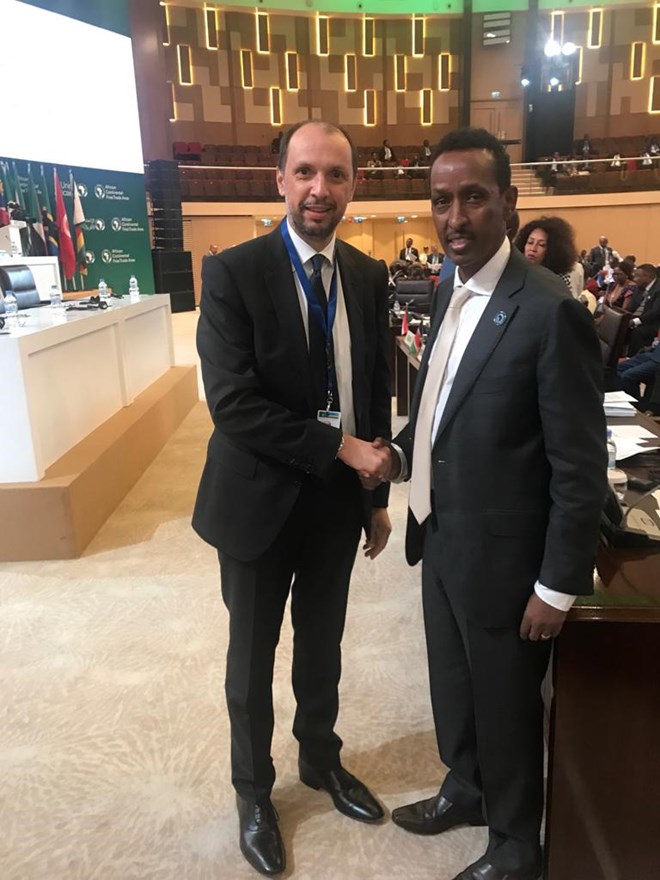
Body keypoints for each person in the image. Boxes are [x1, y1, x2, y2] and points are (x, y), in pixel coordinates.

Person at [370, 127, 607, 880]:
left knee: (506, 707)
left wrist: (557, 584)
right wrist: (399, 456)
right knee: (455, 686)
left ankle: (514, 846)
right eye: (441, 200)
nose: (455, 217)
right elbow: (438, 406)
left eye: (473, 197)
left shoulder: (547, 310)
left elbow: (579, 464)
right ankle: (467, 788)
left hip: (506, 559)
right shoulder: (450, 287)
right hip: (440, 533)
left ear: (507, 203)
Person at [193, 120, 393, 877]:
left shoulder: (367, 275)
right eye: (305, 172)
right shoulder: (234, 272)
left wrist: (374, 496)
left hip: (336, 505)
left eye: (335, 174)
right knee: (251, 661)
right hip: (256, 504)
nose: (319, 188)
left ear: (353, 185)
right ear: (279, 180)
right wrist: (340, 448)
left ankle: (320, 759)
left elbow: (370, 387)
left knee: (322, 646)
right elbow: (233, 405)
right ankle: (253, 793)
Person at [515, 216, 583, 298]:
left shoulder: (560, 282)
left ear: (553, 250)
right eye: (530, 242)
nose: (533, 249)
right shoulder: (517, 274)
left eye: (541, 245)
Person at [616, 333, 660, 409]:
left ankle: (636, 406)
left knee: (628, 376)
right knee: (618, 368)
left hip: (658, 360)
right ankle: (624, 401)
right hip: (654, 352)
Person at [627, 263, 660, 355]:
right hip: (639, 319)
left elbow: (655, 312)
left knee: (638, 332)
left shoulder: (658, 288)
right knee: (619, 327)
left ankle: (633, 357)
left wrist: (636, 321)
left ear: (648, 276)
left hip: (653, 323)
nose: (634, 279)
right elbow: (632, 307)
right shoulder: (640, 287)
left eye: (637, 276)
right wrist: (625, 317)